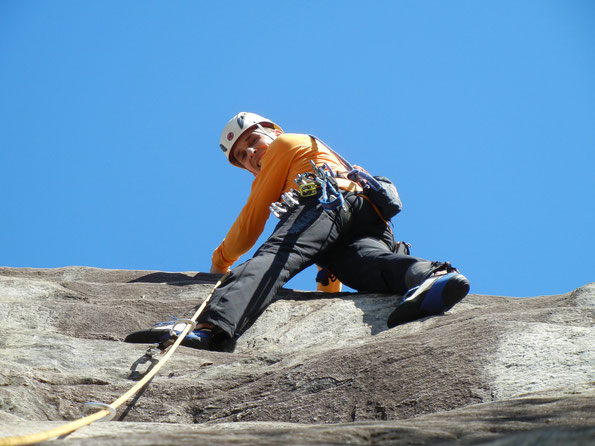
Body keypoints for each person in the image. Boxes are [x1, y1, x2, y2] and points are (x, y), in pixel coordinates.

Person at [125, 112, 470, 352]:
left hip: (325, 202)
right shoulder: (318, 153)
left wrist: (220, 262)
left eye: (253, 141)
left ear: (272, 132)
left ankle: (209, 328)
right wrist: (329, 292)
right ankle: (431, 277)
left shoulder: (285, 145)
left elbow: (252, 222)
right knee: (365, 264)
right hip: (367, 216)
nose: (252, 154)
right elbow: (326, 254)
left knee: (274, 257)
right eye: (243, 156)